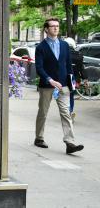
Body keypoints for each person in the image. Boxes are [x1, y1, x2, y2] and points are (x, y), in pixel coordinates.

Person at [34, 18, 84, 154]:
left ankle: (70, 143)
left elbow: (68, 66)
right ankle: (39, 138)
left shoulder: (64, 45)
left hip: (63, 85)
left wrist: (71, 83)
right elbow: (39, 68)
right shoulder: (41, 47)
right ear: (46, 29)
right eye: (52, 26)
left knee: (66, 113)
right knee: (43, 112)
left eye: (57, 26)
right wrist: (49, 80)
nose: (56, 28)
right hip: (47, 85)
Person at [63, 37, 87, 120]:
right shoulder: (79, 55)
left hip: (64, 78)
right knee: (71, 95)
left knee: (64, 96)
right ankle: (71, 111)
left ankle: (67, 112)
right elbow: (81, 68)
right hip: (74, 79)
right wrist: (85, 79)